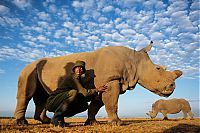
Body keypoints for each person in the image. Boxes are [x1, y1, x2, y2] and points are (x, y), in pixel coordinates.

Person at [45, 60, 107, 127]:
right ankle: (55, 119)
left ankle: (60, 119)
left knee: (84, 105)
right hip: (51, 101)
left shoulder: (79, 79)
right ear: (74, 69)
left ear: (83, 70)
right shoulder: (73, 77)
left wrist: (95, 96)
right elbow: (85, 93)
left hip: (59, 102)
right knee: (73, 93)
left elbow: (83, 96)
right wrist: (97, 90)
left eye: (81, 68)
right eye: (77, 67)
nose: (79, 69)